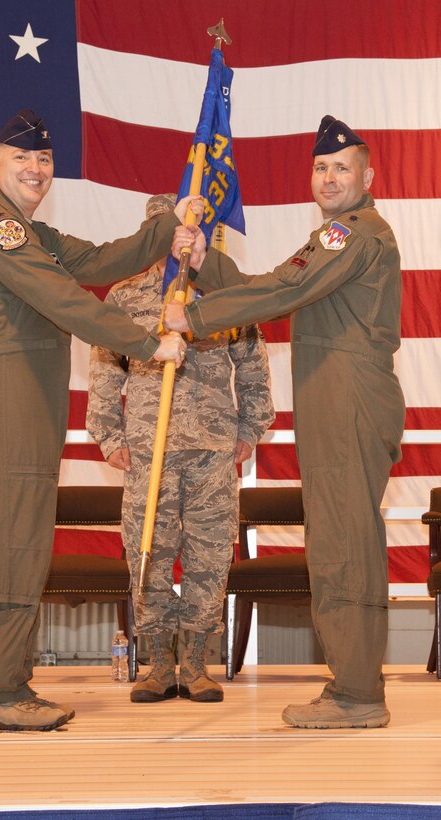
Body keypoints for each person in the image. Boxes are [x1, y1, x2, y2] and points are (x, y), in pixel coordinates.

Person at [0, 108, 200, 732]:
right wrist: (146, 343)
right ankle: (0, 694)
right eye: (22, 158)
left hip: (25, 404)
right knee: (10, 548)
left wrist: (166, 228)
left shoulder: (30, 234)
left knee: (22, 545)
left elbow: (98, 262)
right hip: (6, 402)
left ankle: (4, 682)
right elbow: (64, 299)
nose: (35, 169)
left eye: (45, 160)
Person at [164, 115, 406, 729]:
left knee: (344, 544)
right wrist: (205, 260)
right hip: (337, 399)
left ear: (368, 177)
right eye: (321, 167)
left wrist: (195, 315)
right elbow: (273, 285)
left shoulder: (353, 233)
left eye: (341, 168)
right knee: (339, 538)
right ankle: (353, 685)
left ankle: (356, 694)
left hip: (347, 400)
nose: (328, 177)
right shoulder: (336, 237)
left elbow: (279, 292)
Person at [87, 193, 274, 703]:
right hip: (149, 453)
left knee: (209, 557)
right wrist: (109, 436)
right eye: (170, 230)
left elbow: (253, 367)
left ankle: (194, 664)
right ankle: (157, 665)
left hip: (213, 451)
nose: (178, 240)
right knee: (146, 554)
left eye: (188, 230)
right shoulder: (125, 298)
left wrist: (250, 429)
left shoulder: (223, 296)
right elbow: (105, 372)